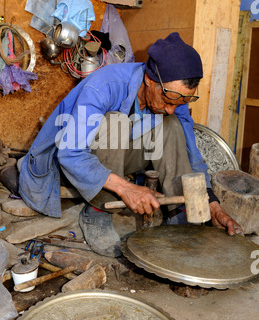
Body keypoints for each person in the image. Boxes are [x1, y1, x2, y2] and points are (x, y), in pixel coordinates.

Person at [19, 32, 244, 257]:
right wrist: (127, 188)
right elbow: (71, 153)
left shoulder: (174, 99)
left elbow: (190, 152)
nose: (171, 108)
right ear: (149, 80)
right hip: (65, 163)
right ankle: (99, 208)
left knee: (172, 124)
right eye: (167, 101)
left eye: (180, 102)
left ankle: (179, 213)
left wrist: (210, 201)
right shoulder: (104, 85)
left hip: (115, 160)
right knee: (115, 122)